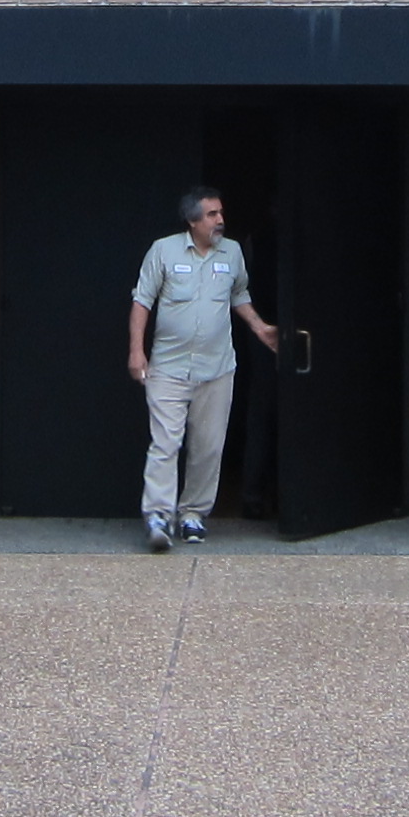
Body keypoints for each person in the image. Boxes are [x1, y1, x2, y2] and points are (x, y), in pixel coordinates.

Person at [127, 185, 279, 550]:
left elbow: (239, 294)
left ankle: (193, 514)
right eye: (212, 214)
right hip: (169, 368)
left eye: (221, 213)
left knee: (208, 446)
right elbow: (142, 301)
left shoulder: (233, 253)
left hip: (217, 368)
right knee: (165, 443)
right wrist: (136, 352)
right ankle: (158, 516)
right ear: (192, 220)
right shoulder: (163, 251)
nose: (220, 220)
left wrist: (260, 328)